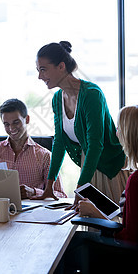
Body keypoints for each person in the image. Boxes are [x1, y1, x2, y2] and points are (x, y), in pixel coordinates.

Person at [35, 41, 129, 204]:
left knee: (112, 223)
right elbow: (59, 142)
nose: (40, 76)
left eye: (43, 69)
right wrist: (48, 186)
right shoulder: (58, 99)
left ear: (61, 66)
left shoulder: (92, 94)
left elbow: (95, 145)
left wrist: (80, 188)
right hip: (89, 168)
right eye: (38, 70)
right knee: (91, 223)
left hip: (109, 168)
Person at [55, 105, 138, 273]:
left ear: (130, 135)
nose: (116, 134)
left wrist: (95, 213)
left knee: (63, 248)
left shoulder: (135, 181)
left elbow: (129, 238)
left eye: (119, 129)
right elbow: (129, 219)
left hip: (125, 255)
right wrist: (99, 207)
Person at [0, 98, 66, 199]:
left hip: (32, 213)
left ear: (27, 119)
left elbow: (61, 195)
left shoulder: (45, 156)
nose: (11, 128)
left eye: (16, 122)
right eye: (6, 124)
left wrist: (33, 192)